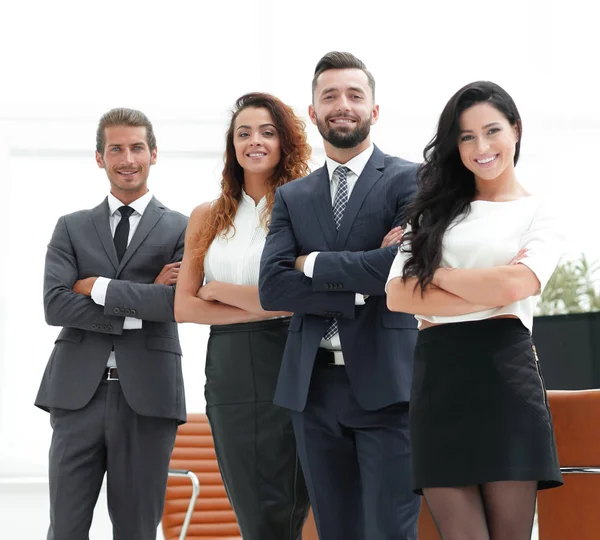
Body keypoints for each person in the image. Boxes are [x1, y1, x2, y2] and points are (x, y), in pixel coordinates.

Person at [386, 81, 564, 539]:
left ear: (516, 131)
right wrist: (486, 288)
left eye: (491, 131)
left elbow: (516, 284)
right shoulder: (430, 212)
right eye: (466, 137)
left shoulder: (540, 212)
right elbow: (398, 295)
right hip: (438, 380)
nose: (480, 147)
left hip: (505, 377)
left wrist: (437, 275)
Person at [259, 52, 421, 540]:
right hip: (312, 390)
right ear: (312, 112)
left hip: (387, 386)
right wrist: (358, 289)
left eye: (355, 95)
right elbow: (272, 287)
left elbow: (400, 268)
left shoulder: (410, 179)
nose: (342, 105)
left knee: (391, 529)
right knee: (336, 530)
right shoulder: (292, 196)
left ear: (374, 110)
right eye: (329, 96)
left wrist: (311, 265)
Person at [35, 108, 188, 540]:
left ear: (153, 153)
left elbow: (177, 303)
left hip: (149, 399)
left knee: (136, 530)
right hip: (76, 395)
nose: (127, 158)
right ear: (100, 158)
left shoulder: (183, 228)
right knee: (65, 528)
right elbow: (55, 306)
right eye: (116, 148)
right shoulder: (71, 227)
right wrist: (143, 300)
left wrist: (97, 287)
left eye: (137, 147)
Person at [174, 92, 311, 540]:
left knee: (287, 506)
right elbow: (185, 306)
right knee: (252, 510)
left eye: (267, 132)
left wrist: (224, 294)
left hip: (291, 360)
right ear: (232, 145)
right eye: (244, 133)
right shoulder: (207, 216)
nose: (255, 141)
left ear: (284, 142)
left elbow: (300, 299)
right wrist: (258, 304)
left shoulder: (305, 207)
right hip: (229, 371)